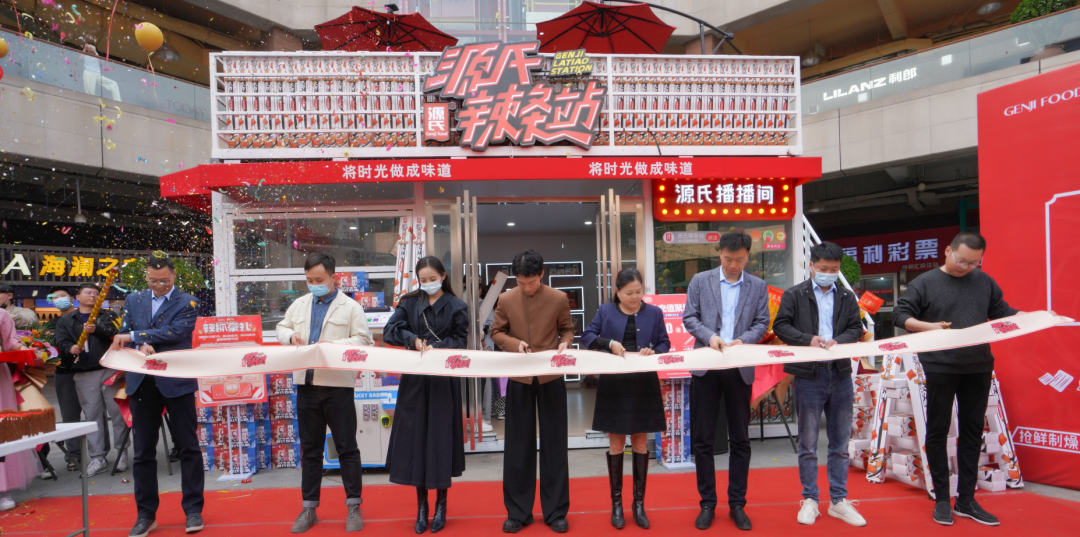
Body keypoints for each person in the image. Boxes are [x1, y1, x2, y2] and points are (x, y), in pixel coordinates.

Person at [893, 232, 1018, 527]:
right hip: (940, 365)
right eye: (962, 260)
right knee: (938, 431)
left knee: (973, 431)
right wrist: (930, 327)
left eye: (974, 263)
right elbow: (900, 315)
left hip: (979, 365)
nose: (966, 267)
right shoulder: (925, 282)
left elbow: (1002, 312)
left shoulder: (984, 281)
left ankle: (966, 500)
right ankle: (941, 499)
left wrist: (1033, 317)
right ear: (948, 251)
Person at [276, 252, 372, 534]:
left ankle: (353, 506)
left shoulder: (350, 307)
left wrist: (336, 346)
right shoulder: (299, 304)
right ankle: (309, 508)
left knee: (347, 448)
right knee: (311, 451)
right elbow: (282, 327)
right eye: (309, 280)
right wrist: (290, 336)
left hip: (338, 386)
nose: (314, 284)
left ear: (333, 277)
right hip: (306, 385)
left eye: (319, 280)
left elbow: (363, 340)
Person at [772, 242, 867, 527]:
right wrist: (807, 339)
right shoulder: (794, 294)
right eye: (824, 268)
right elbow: (781, 326)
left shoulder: (847, 296)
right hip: (808, 375)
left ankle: (838, 500)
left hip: (840, 373)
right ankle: (810, 499)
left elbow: (856, 328)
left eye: (834, 269)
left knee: (840, 442)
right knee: (808, 443)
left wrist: (841, 340)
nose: (829, 273)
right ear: (811, 265)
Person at [110, 255, 204, 537]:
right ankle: (145, 515)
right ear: (146, 276)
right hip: (142, 382)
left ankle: (193, 510)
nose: (159, 285)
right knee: (142, 452)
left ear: (173, 275)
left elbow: (175, 332)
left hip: (176, 380)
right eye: (153, 280)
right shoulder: (134, 299)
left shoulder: (188, 302)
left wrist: (138, 337)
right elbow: (124, 332)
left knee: (188, 447)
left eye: (164, 280)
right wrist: (135, 341)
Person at [682, 232, 769, 531]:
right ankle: (707, 503)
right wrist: (710, 337)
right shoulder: (700, 281)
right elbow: (690, 318)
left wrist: (743, 340)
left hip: (739, 366)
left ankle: (737, 504)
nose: (733, 265)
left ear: (748, 257)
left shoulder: (757, 286)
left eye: (740, 260)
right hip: (707, 366)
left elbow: (762, 322)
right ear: (719, 254)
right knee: (704, 438)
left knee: (740, 438)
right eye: (728, 259)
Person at [491, 250, 575, 534]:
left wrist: (565, 343)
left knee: (555, 445)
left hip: (551, 377)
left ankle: (556, 511)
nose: (526, 288)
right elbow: (496, 332)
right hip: (520, 378)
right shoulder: (506, 299)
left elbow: (567, 329)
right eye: (521, 282)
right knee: (518, 446)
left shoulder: (558, 298)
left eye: (532, 282)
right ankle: (517, 512)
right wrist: (515, 345)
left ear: (542, 274)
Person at [383, 256, 468, 534]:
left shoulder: (457, 306)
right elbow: (390, 331)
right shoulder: (409, 302)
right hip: (415, 381)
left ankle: (442, 504)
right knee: (416, 440)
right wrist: (414, 340)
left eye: (433, 278)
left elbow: (461, 341)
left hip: (443, 381)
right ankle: (422, 507)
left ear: (443, 276)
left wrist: (437, 348)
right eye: (423, 279)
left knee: (440, 440)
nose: (428, 283)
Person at [581, 268, 670, 530]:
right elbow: (587, 337)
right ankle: (617, 504)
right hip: (615, 383)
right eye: (629, 292)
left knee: (641, 442)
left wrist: (653, 351)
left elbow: (664, 343)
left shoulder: (654, 313)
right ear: (617, 292)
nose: (635, 297)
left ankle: (639, 504)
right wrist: (608, 343)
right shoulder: (605, 311)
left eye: (639, 292)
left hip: (644, 382)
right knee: (617, 442)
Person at [54, 283, 128, 477]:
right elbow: (61, 342)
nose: (93, 295)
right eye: (88, 292)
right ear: (77, 297)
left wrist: (96, 330)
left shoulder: (109, 315)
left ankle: (122, 451)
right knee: (92, 415)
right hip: (83, 372)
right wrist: (70, 348)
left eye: (96, 293)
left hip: (110, 369)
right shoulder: (66, 320)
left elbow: (114, 333)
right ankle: (97, 457)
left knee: (117, 412)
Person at [0, 307, 42, 511]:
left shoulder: (1, 314)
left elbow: (10, 342)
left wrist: (29, 349)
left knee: (2, 429)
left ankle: (3, 489)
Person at [45, 287, 81, 473]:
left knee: (96, 413)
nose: (58, 299)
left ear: (72, 298)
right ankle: (74, 455)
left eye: (62, 296)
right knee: (69, 416)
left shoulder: (84, 318)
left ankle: (98, 453)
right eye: (55, 297)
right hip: (64, 372)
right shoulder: (50, 326)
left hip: (89, 371)